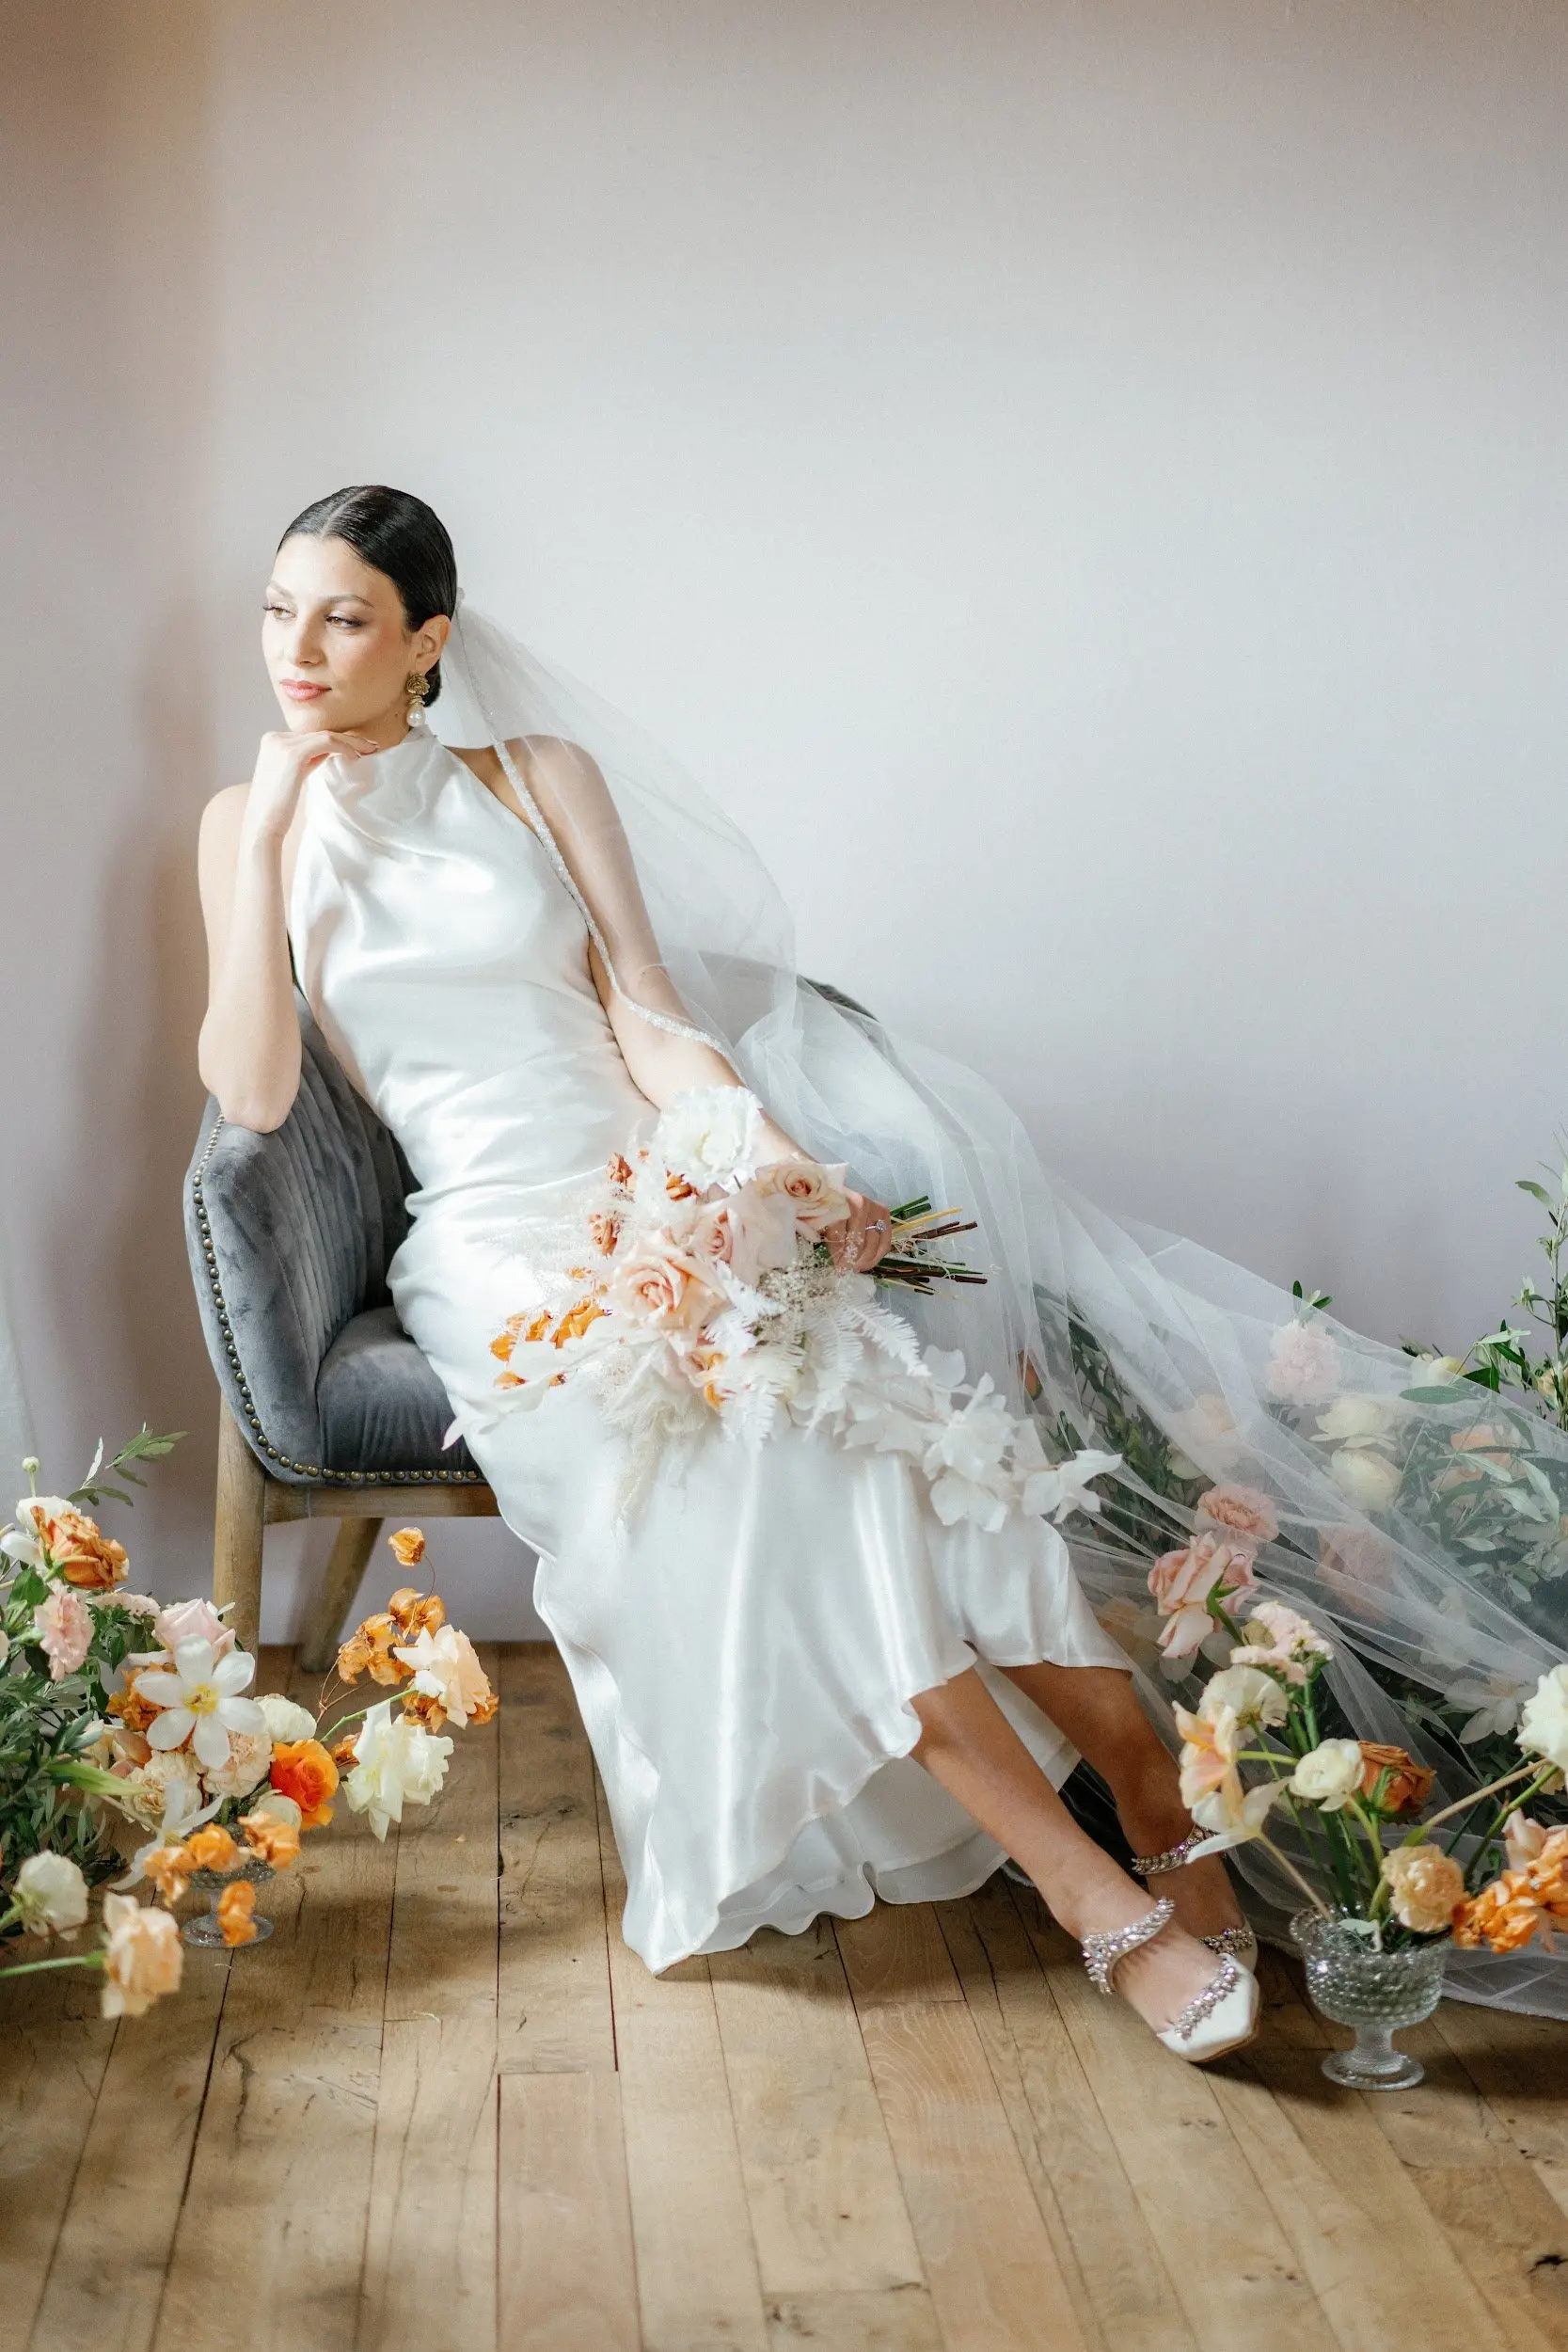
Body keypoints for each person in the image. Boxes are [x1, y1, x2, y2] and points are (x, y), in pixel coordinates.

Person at [198, 485, 1259, 2061]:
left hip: (648, 1189)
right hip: (496, 1252)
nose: (300, 647)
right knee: (795, 1484)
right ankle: (1090, 1892)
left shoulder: (536, 777)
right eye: (281, 610)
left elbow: (643, 1005)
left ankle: (1152, 1781)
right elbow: (256, 1094)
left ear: (426, 641)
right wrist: (278, 825)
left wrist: (749, 1154)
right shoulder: (244, 825)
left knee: (905, 1462)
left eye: (343, 615)